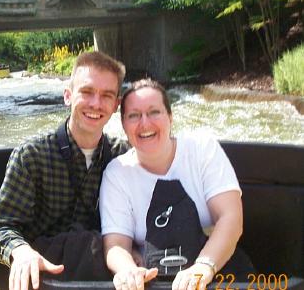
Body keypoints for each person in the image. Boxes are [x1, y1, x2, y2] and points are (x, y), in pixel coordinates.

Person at [0, 51, 129, 290]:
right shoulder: (32, 156)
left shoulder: (124, 156)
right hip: (45, 280)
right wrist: (21, 252)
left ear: (116, 105)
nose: (95, 103)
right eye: (87, 92)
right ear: (68, 96)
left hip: (107, 278)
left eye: (106, 95)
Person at [100, 79, 253, 290]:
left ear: (170, 117)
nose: (145, 123)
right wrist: (127, 270)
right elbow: (116, 245)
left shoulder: (202, 149)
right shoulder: (116, 174)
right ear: (124, 126)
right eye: (134, 115)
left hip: (217, 272)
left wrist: (204, 267)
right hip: (153, 279)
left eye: (154, 112)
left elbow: (230, 218)